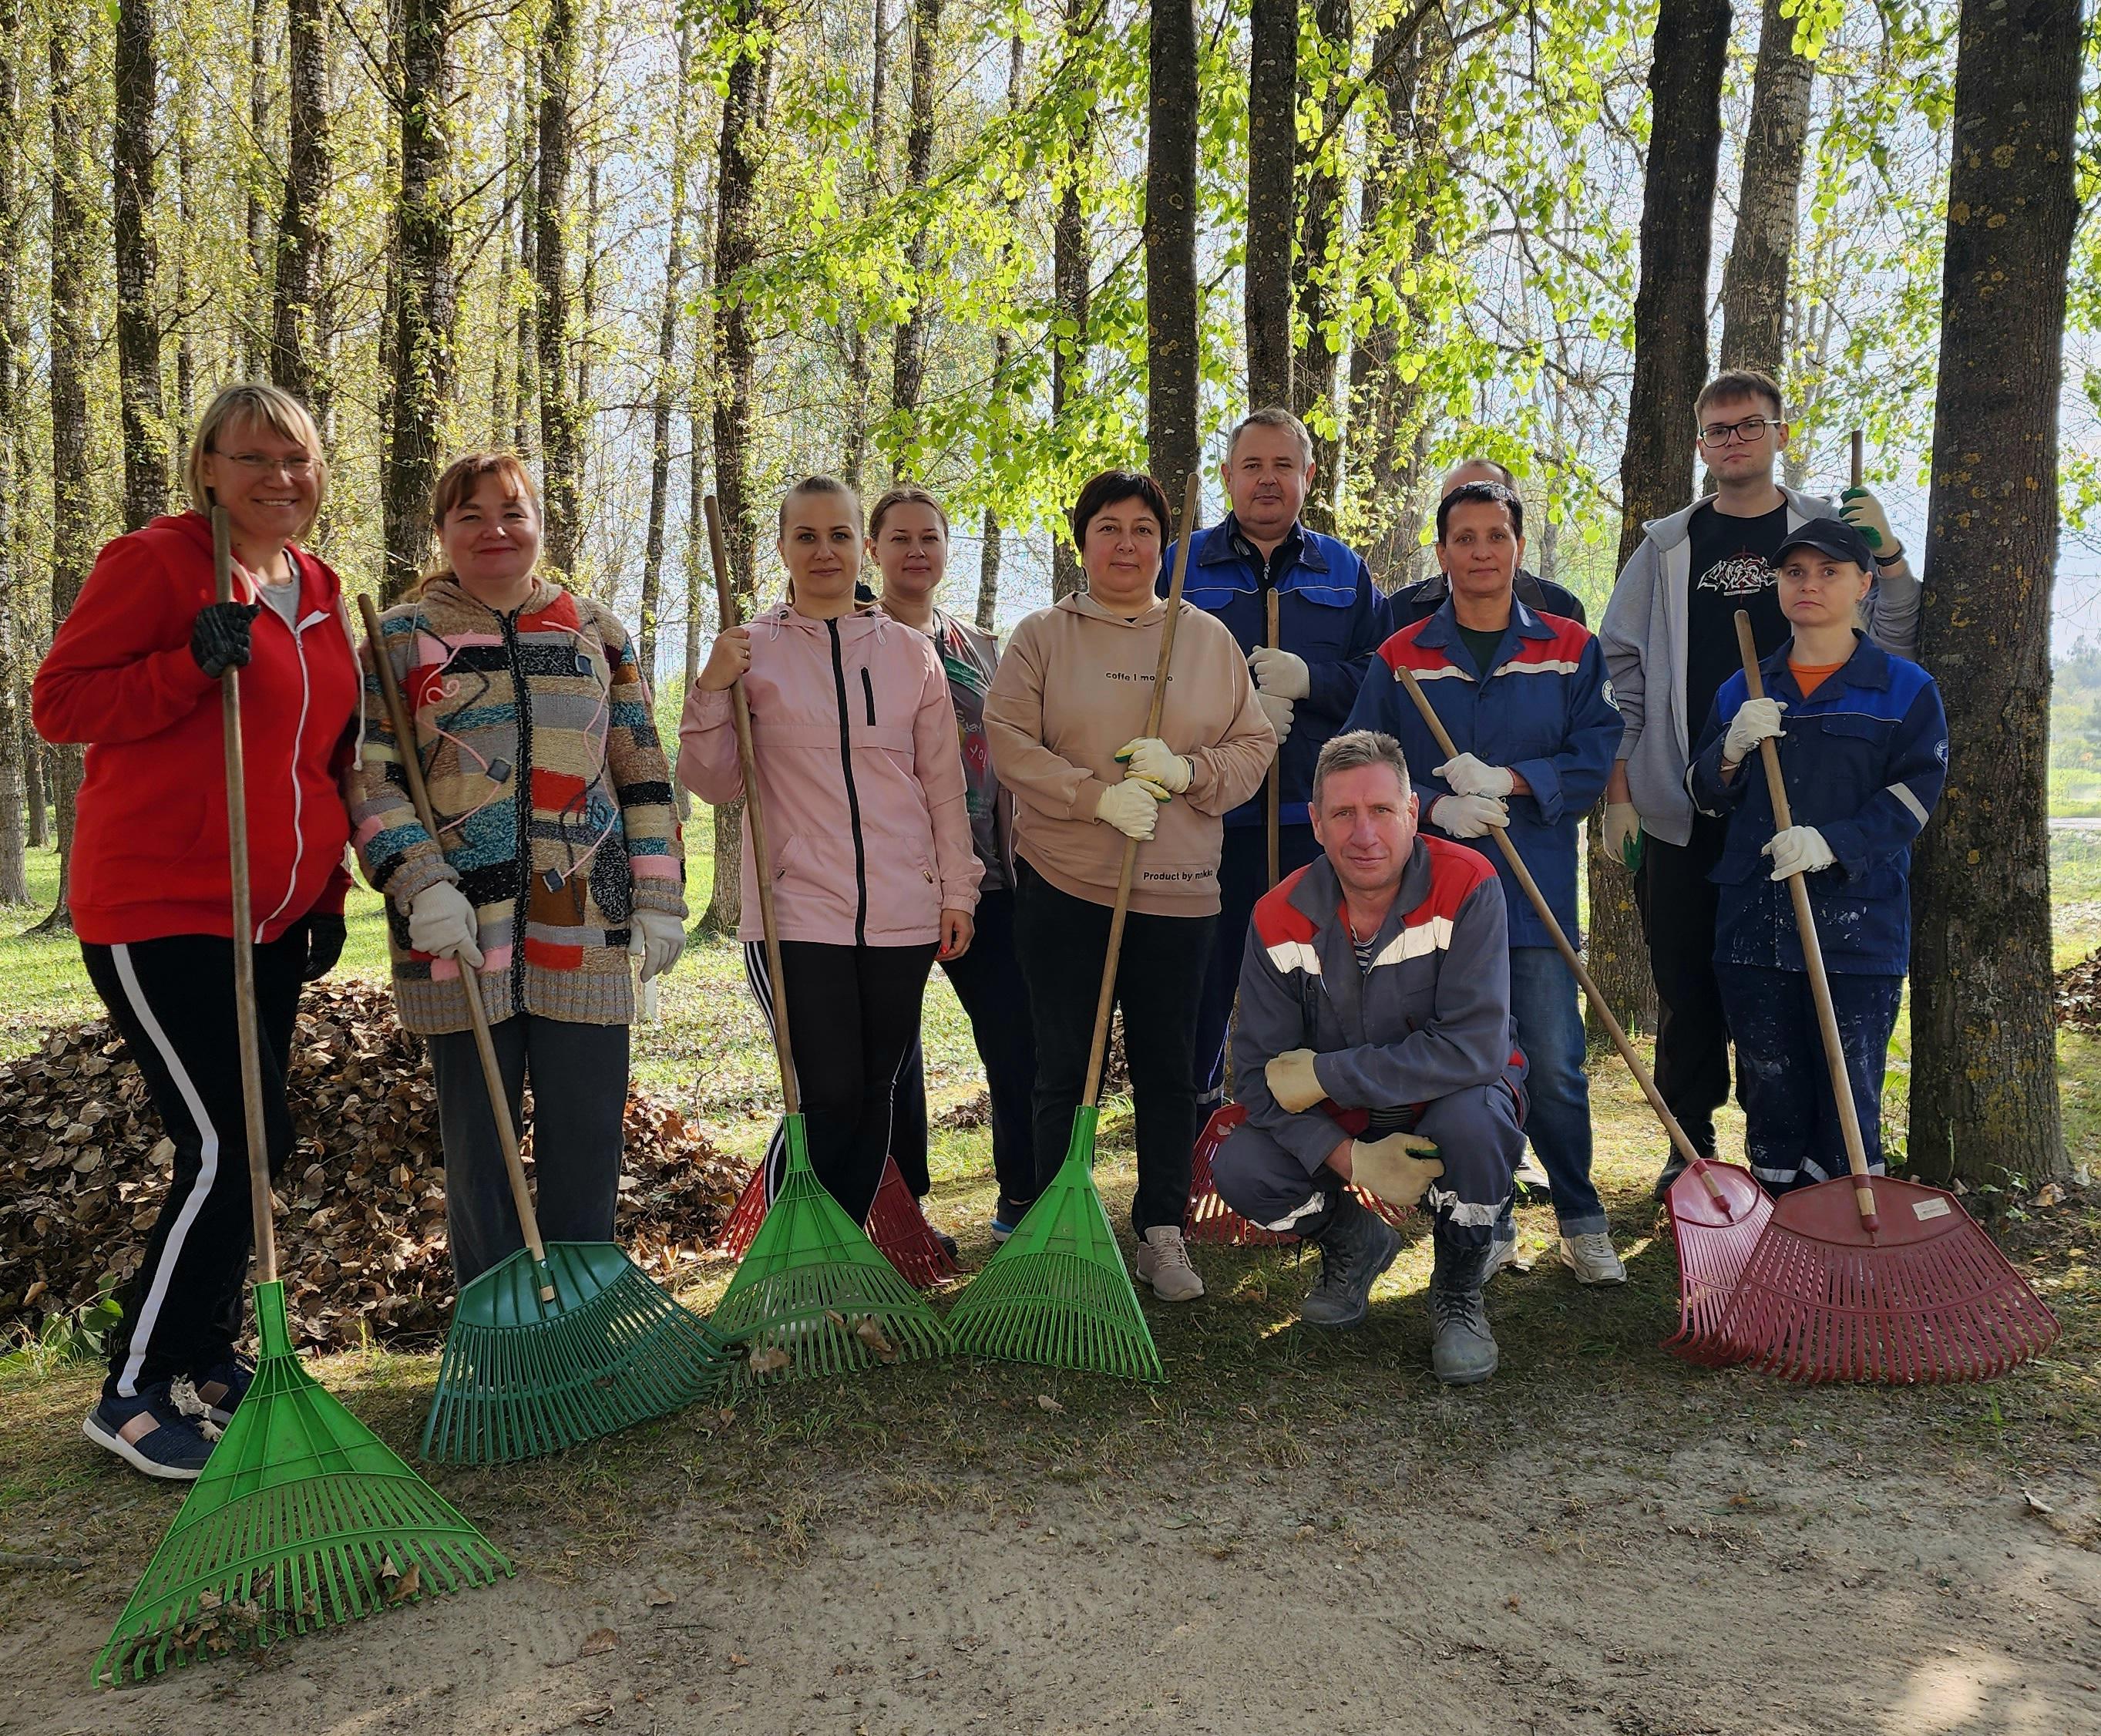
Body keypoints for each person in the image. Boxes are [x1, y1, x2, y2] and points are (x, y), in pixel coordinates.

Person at [33, 383, 360, 1479]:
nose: (281, 478)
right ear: (208, 468)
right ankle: (130, 1387)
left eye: (299, 460)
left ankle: (203, 1354)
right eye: (256, 458)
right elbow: (62, 703)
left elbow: (319, 764)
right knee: (223, 1144)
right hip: (162, 906)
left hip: (269, 920)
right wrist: (184, 666)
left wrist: (323, 900)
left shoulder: (319, 589)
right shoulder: (156, 563)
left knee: (262, 1140)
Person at [350, 453, 686, 1289]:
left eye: (512, 512)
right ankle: (495, 1322)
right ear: (440, 531)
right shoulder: (397, 639)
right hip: (458, 926)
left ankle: (583, 1314)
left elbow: (642, 771)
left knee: (586, 1130)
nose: (493, 530)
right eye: (470, 515)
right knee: (480, 1144)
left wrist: (657, 898)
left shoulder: (594, 632)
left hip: (588, 922)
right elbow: (368, 776)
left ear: (540, 524)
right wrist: (419, 879)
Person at [1598, 368, 1921, 1197]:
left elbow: (1895, 631)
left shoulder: (1821, 531)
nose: (1732, 440)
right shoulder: (1666, 545)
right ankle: (1690, 1142)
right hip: (1690, 796)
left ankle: (1822, 1159)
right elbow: (1622, 676)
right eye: (1717, 429)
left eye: (1748, 425)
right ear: (1701, 444)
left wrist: (1885, 554)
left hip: (1804, 815)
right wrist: (1621, 790)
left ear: (1779, 434)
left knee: (1805, 982)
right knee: (1688, 981)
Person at [986, 469, 1273, 1301]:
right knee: (1061, 1065)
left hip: (1177, 888)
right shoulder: (1042, 635)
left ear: (1162, 542)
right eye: (1107, 526)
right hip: (1066, 881)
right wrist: (1092, 796)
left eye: (1142, 528)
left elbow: (1251, 748)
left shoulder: (1205, 639)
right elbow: (1007, 739)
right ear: (1082, 540)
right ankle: (1053, 1230)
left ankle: (1160, 1229)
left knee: (1167, 1067)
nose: (1125, 543)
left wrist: (1186, 770)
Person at [681, 476, 981, 1226]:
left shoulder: (911, 656)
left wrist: (955, 890)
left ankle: (844, 1271)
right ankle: (796, 1274)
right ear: (780, 547)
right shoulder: (751, 651)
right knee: (824, 1093)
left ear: (865, 547)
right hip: (794, 909)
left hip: (899, 910)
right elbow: (712, 782)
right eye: (806, 536)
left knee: (873, 1088)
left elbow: (943, 788)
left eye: (839, 535)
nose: (824, 551)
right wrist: (712, 688)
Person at [1346, 481, 1625, 1284]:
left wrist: (1509, 779)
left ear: (1516, 547)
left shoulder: (1570, 646)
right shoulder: (1402, 657)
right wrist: (1429, 804)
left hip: (1533, 896)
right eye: (1462, 538)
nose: (1479, 552)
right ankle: (1489, 1214)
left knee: (1555, 1065)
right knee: (1469, 1067)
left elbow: (1592, 753)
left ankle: (1579, 1214)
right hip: (1433, 902)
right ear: (1439, 555)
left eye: (1494, 536)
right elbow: (1360, 760)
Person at [1215, 730, 1526, 1384]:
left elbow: (1474, 1047)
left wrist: (1327, 1073)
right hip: (1346, 1120)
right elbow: (1258, 1073)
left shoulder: (1469, 884)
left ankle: (1459, 1291)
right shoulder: (1276, 917)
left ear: (1413, 812)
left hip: (1451, 1097)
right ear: (1318, 825)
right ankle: (1355, 1244)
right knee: (1243, 1167)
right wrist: (1350, 1159)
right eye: (1344, 815)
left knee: (1477, 1126)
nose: (1365, 834)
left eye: (1382, 811)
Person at [1687, 518, 1946, 1192]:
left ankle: (1853, 1249)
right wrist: (1731, 749)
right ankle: (1780, 1236)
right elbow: (1705, 798)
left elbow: (1917, 796)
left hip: (1856, 934)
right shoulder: (1741, 688)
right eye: (1795, 572)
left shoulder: (1904, 689)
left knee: (1847, 1094)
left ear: (1864, 584)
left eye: (1829, 572)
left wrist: (1832, 843)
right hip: (1754, 928)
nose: (1810, 585)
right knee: (1769, 1093)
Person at [1166, 409, 1392, 1112]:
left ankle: (1316, 1114)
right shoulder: (1181, 568)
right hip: (1207, 816)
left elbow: (1383, 680)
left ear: (1308, 476)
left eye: (1283, 466)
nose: (1268, 481)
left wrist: (1313, 681)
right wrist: (1236, 716)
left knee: (1317, 976)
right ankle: (1199, 1120)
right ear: (1228, 475)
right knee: (1203, 978)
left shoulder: (1343, 571)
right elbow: (1147, 678)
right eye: (1253, 466)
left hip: (1310, 818)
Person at [868, 483, 1040, 1245]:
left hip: (983, 876)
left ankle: (1023, 1200)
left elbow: (1010, 752)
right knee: (890, 1054)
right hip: (887, 879)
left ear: (947, 549)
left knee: (1016, 1034)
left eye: (929, 537)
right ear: (872, 549)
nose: (915, 550)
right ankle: (902, 1214)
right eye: (898, 537)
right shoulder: (851, 639)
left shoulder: (978, 645)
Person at [1389, 458, 1587, 627]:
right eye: (1456, 502)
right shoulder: (1400, 611)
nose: (1481, 553)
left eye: (1496, 535)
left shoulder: (1561, 608)